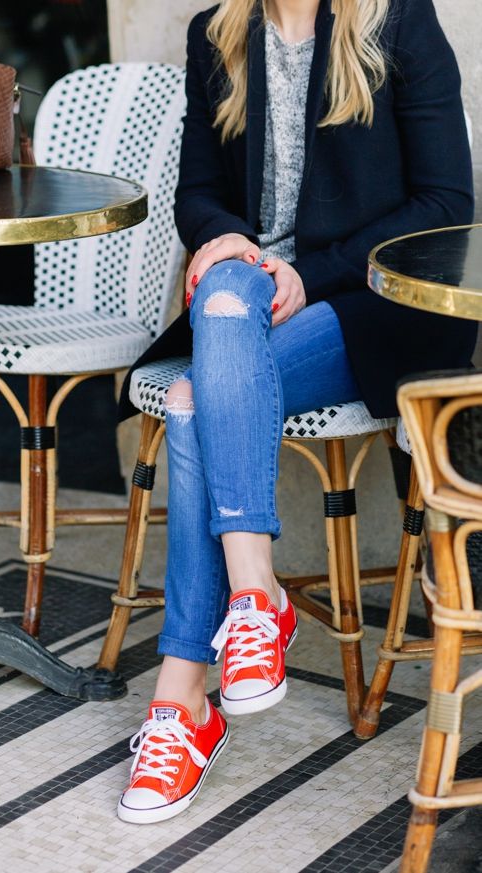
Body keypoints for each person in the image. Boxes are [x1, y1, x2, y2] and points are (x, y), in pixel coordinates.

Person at [116, 0, 476, 824]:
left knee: (191, 398)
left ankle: (182, 699)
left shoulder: (395, 20)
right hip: (247, 304)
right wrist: (223, 239)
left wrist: (310, 275)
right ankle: (253, 596)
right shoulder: (217, 33)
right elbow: (198, 192)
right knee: (223, 293)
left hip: (367, 300)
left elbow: (444, 201)